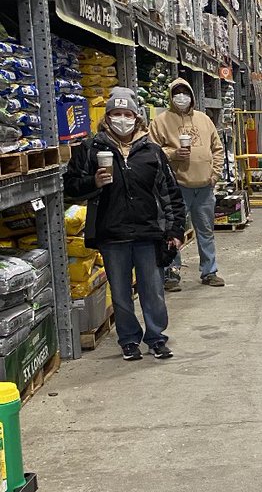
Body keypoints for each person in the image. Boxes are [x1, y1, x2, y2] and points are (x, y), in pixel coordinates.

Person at [64, 87, 186, 362]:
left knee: (153, 290)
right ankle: (129, 340)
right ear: (107, 117)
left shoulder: (152, 151)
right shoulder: (90, 149)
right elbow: (70, 186)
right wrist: (92, 182)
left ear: (137, 117)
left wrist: (176, 229)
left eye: (127, 113)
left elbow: (170, 193)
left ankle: (156, 338)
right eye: (116, 113)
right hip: (112, 233)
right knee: (120, 293)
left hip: (148, 232)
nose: (122, 118)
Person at [149, 77, 225, 290]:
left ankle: (209, 272)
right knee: (173, 232)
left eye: (185, 92)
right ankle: (171, 273)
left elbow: (217, 148)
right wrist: (173, 154)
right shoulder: (161, 121)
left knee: (206, 231)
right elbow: (151, 152)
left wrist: (215, 174)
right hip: (176, 188)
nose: (181, 97)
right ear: (171, 96)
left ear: (192, 96)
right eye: (177, 93)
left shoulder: (204, 119)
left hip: (204, 187)